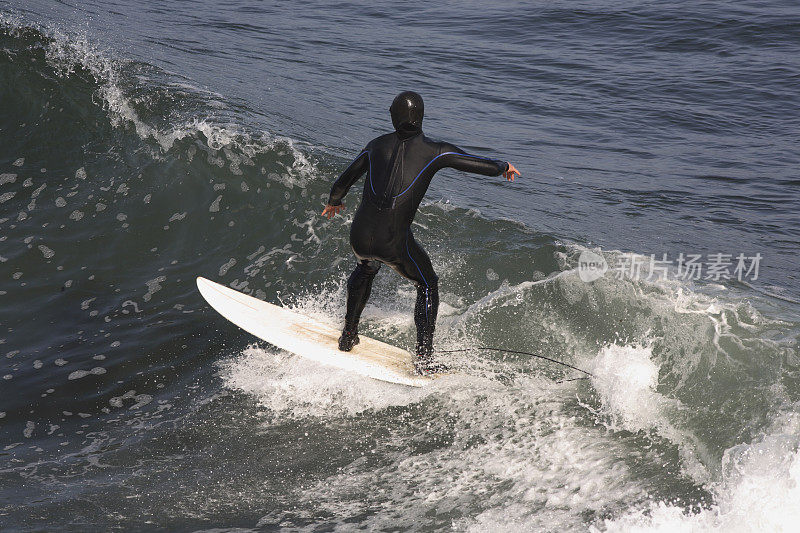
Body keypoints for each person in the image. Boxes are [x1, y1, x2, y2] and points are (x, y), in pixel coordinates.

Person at [321, 91, 519, 374]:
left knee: (365, 268)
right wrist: (503, 167)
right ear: (421, 117)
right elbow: (472, 162)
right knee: (427, 283)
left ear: (393, 116)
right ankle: (425, 359)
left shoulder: (375, 146)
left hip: (360, 236)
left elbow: (343, 181)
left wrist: (334, 202)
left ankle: (348, 336)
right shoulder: (435, 151)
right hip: (393, 243)